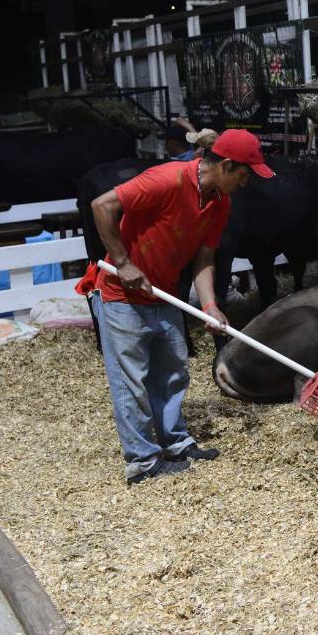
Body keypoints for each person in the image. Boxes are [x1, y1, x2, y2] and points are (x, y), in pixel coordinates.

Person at [77, 129, 274, 485]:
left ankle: (176, 444)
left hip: (164, 294)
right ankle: (142, 463)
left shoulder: (220, 203)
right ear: (226, 165)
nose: (245, 184)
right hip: (122, 297)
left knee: (172, 373)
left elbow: (204, 257)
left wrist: (210, 304)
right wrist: (123, 262)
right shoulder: (167, 179)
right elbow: (101, 205)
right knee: (132, 382)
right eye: (244, 175)